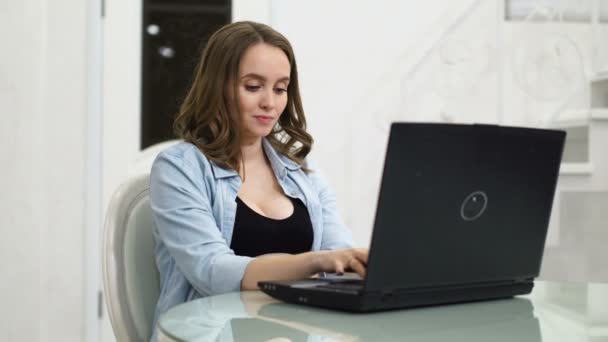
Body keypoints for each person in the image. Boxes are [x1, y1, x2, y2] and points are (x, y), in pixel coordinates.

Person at [149, 21, 368, 339]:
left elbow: (337, 249)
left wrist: (355, 261)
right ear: (218, 86)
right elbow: (212, 270)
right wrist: (314, 261)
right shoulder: (178, 168)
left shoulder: (301, 168)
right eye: (253, 87)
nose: (271, 102)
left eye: (280, 89)